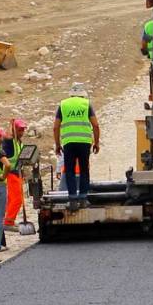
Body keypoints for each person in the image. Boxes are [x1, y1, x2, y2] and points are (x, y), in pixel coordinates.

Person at [53, 83, 100, 211]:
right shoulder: (86, 104)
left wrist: (57, 144)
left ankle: (73, 200)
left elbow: (56, 127)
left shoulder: (63, 105)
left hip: (69, 142)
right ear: (82, 94)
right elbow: (95, 125)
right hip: (84, 142)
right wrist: (96, 143)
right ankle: (83, 199)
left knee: (70, 171)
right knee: (84, 170)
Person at [2, 119, 27, 232]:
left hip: (18, 173)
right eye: (19, 129)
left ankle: (8, 219)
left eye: (23, 130)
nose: (22, 132)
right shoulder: (9, 142)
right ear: (14, 130)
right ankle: (8, 222)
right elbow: (6, 136)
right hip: (11, 173)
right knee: (17, 199)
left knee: (12, 198)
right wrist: (10, 125)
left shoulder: (19, 142)